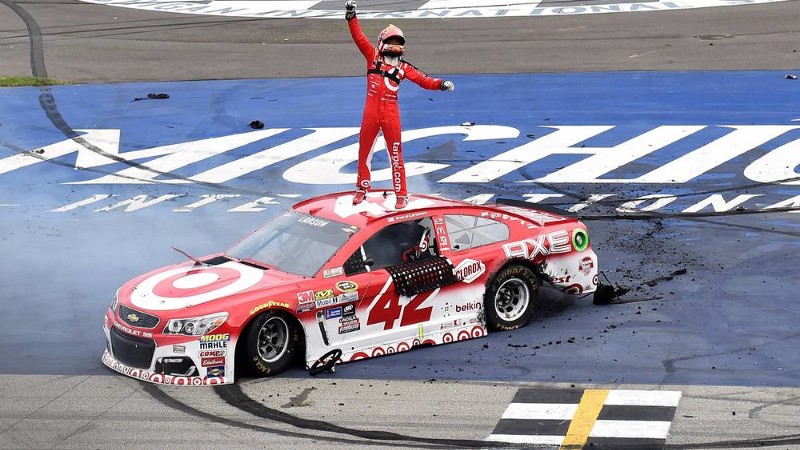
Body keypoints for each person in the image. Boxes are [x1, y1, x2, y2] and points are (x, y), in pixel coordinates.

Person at [345, 0, 455, 209]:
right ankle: (361, 189)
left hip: (391, 116)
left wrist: (441, 84)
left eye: (398, 41)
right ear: (382, 42)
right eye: (391, 40)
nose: (395, 44)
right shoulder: (372, 57)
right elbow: (358, 37)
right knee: (364, 151)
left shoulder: (404, 68)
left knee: (396, 155)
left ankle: (401, 194)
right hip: (370, 114)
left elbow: (424, 80)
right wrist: (351, 16)